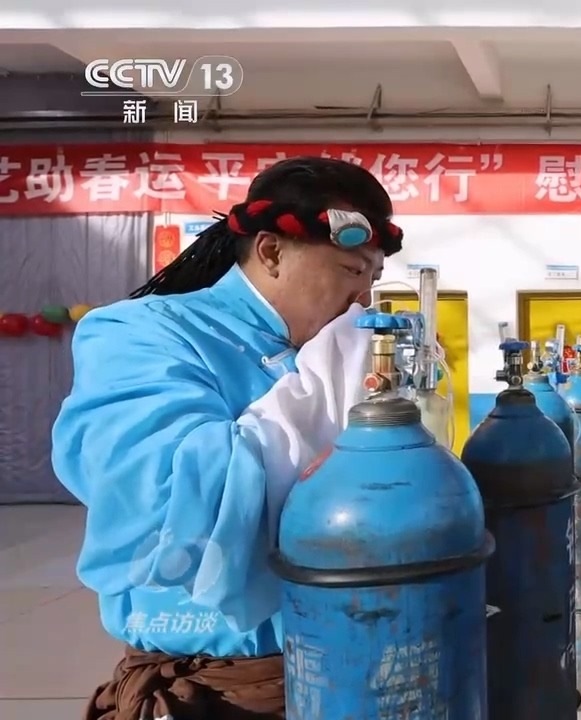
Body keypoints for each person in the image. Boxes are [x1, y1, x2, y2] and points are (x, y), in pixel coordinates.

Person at [51, 157, 404, 720]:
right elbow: (168, 494)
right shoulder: (140, 333)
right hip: (221, 687)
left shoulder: (325, 351)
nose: (362, 300)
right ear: (272, 252)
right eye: (349, 270)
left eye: (372, 280)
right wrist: (322, 383)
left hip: (350, 666)